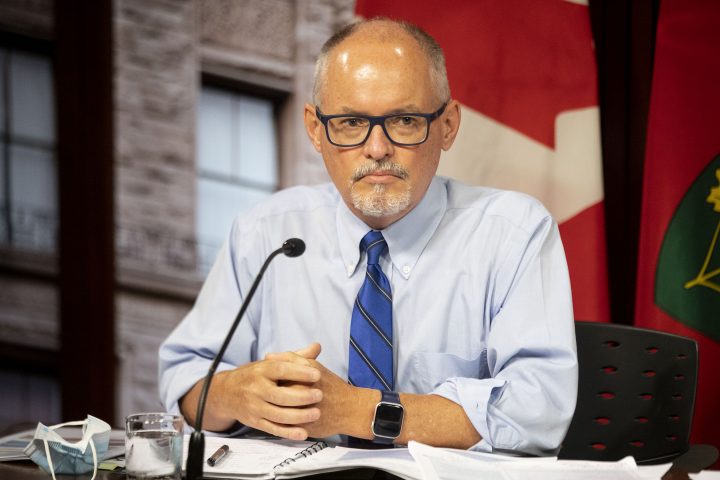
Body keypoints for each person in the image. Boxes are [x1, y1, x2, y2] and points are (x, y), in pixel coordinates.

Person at [159, 18, 577, 454]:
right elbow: (182, 380)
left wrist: (355, 411)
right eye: (351, 122)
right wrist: (235, 394)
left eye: (405, 120)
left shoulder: (514, 232)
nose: (377, 148)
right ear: (316, 129)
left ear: (448, 125)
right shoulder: (265, 232)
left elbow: (539, 407)